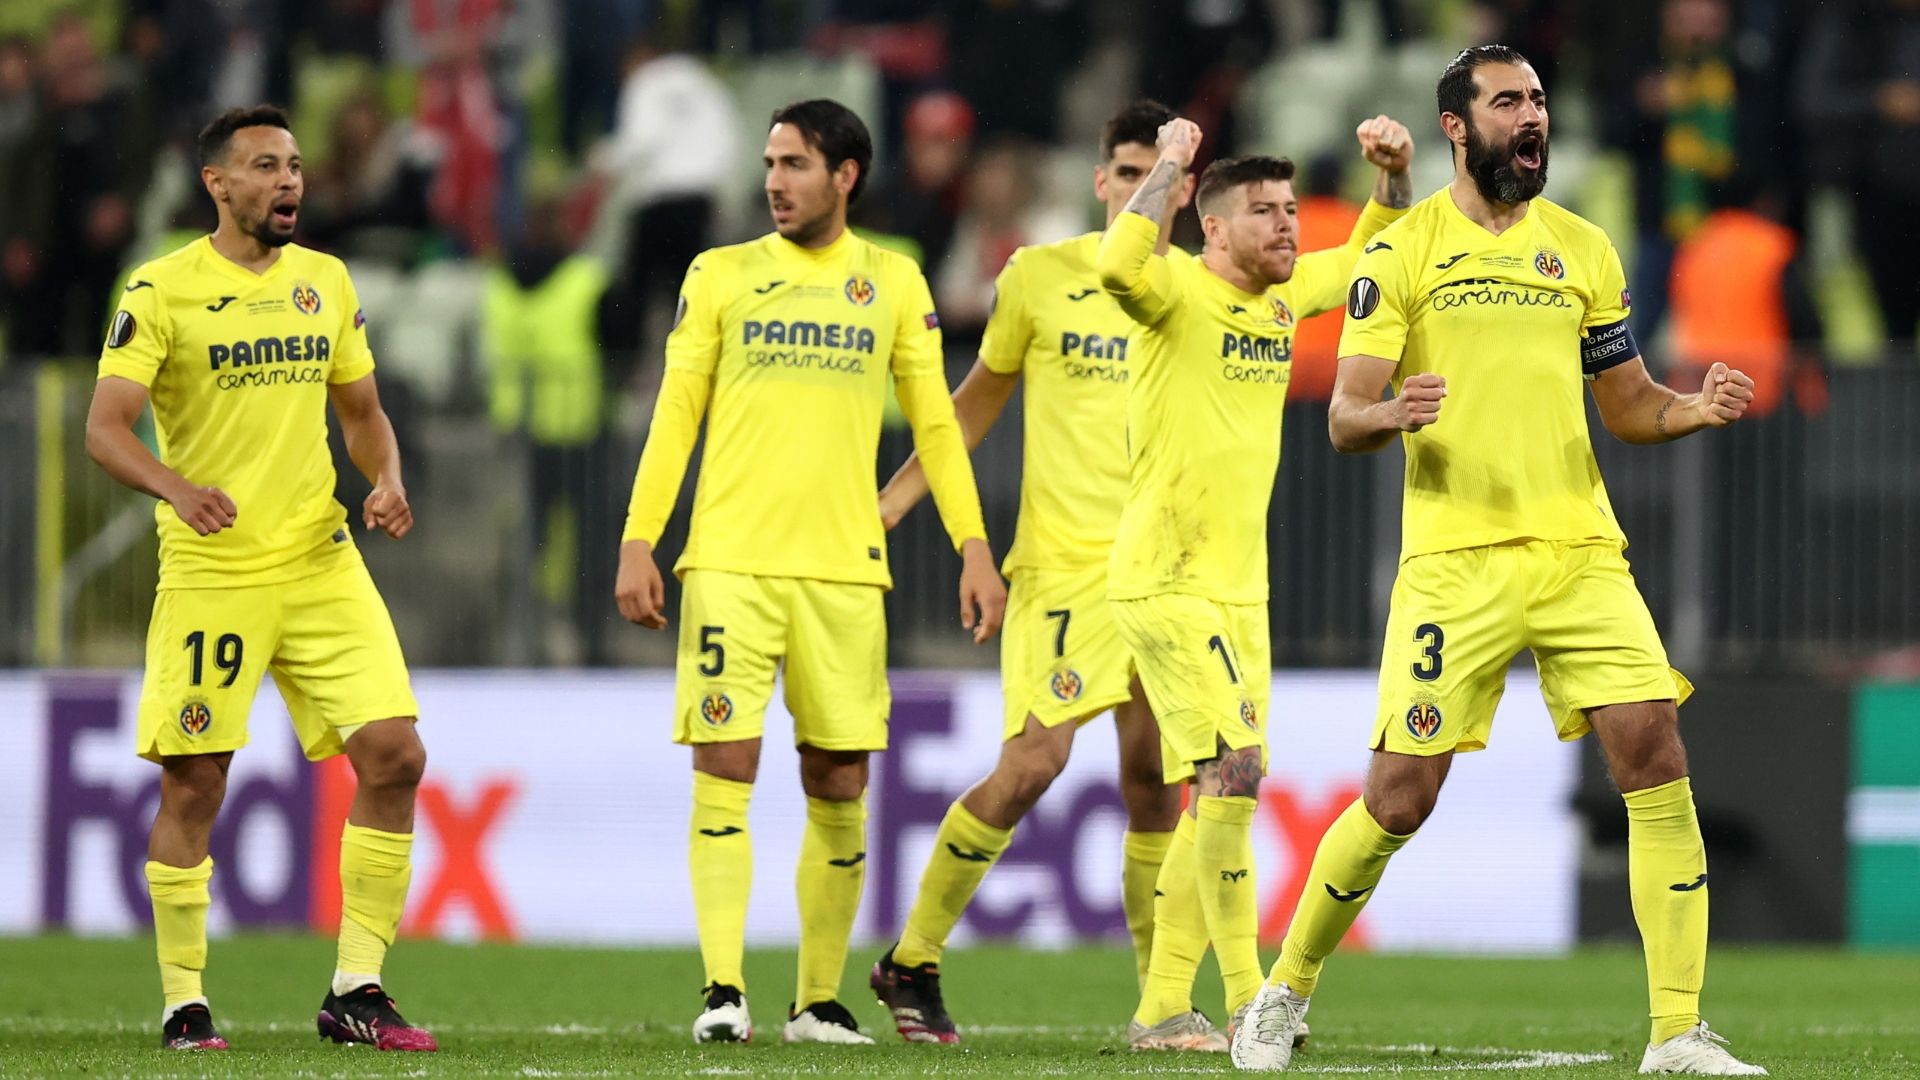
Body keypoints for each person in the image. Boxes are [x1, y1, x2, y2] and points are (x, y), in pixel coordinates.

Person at [1230, 46, 1764, 1076]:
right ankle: (1283, 989)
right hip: (1456, 560)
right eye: (1509, 102)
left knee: (1653, 749)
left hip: (1578, 550)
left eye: (1541, 102)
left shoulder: (1584, 250)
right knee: (1398, 797)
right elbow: (1345, 417)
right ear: (1457, 128)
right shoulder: (1403, 252)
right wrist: (1391, 411)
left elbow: (1628, 403)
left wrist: (1688, 410)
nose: (1534, 118)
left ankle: (1676, 1033)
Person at [615, 98, 1006, 1047]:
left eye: (794, 164)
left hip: (842, 570)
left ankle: (818, 1000)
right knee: (726, 765)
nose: (774, 182)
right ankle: (720, 990)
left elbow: (938, 428)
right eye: (769, 163)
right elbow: (676, 414)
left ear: (846, 175)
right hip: (731, 564)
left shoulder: (893, 280)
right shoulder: (720, 275)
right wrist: (639, 537)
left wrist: (974, 545)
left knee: (838, 778)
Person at [83, 105, 435, 1053]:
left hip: (320, 558)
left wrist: (386, 477)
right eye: (266, 167)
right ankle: (184, 1002)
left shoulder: (324, 281)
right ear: (218, 184)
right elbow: (106, 426)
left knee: (397, 756)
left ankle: (358, 990)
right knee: (196, 783)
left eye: (294, 166)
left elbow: (361, 410)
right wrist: (175, 487)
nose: (289, 183)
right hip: (215, 571)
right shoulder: (160, 289)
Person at [867, 98, 1203, 1048]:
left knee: (1151, 781)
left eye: (1161, 171)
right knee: (1032, 765)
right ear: (1101, 182)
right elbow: (966, 409)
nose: (1147, 185)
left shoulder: (1198, 288)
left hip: (1163, 574)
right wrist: (893, 508)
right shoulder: (1040, 278)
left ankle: (1160, 1003)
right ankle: (914, 956)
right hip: (1061, 570)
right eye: (1130, 169)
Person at [1099, 113, 1414, 1046]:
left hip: (1241, 589)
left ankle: (1165, 1007)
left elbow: (1374, 253)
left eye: (1289, 209)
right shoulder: (1173, 295)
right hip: (1165, 577)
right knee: (1233, 774)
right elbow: (1119, 266)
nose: (1287, 226)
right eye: (1265, 213)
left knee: (1221, 791)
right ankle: (1247, 1003)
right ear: (1214, 226)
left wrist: (1394, 174)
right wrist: (1168, 166)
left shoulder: (1280, 303)